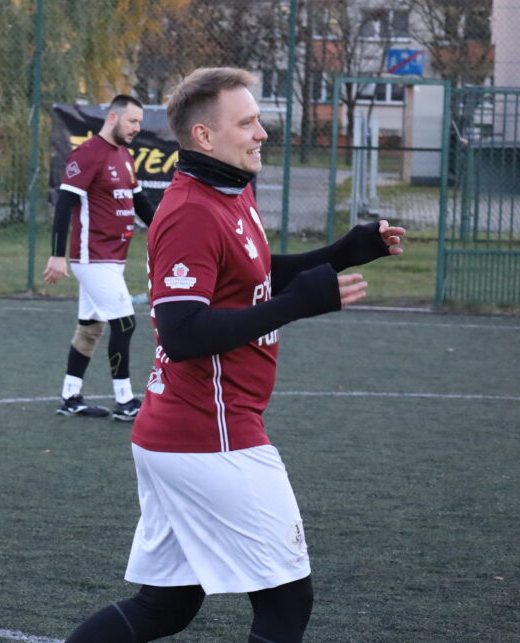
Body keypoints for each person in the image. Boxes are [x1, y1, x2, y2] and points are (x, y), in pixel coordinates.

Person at [65, 68, 406, 642]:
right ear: (204, 136)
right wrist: (295, 306)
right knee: (287, 603)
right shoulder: (191, 211)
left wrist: (345, 252)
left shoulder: (231, 190)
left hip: (183, 432)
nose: (261, 133)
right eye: (246, 123)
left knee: (165, 608)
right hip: (210, 434)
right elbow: (182, 333)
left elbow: (253, 274)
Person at [43, 94, 157, 422]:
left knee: (90, 328)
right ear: (112, 118)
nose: (137, 127)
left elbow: (140, 203)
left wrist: (168, 230)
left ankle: (70, 396)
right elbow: (64, 205)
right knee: (125, 322)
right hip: (92, 258)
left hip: (112, 259)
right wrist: (57, 255)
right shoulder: (88, 154)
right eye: (132, 121)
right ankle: (125, 401)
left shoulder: (124, 155)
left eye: (139, 122)